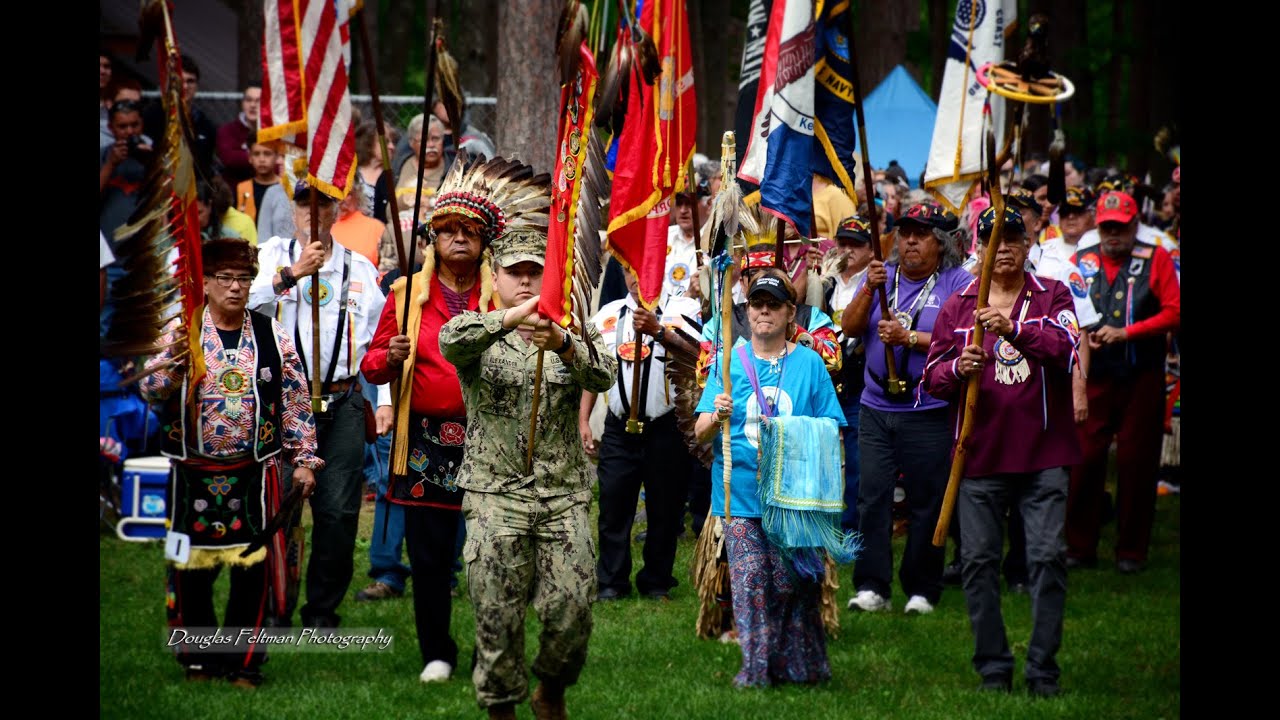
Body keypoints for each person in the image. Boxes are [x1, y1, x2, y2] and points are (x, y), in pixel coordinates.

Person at [439, 187, 616, 719]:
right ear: (495, 278)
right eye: (514, 272)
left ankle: (552, 688)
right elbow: (451, 342)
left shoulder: (571, 333)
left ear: (549, 277)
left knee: (572, 608)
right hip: (495, 494)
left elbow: (604, 372)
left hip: (562, 493)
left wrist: (560, 341)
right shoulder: (479, 330)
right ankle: (500, 706)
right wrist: (509, 320)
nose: (524, 281)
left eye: (534, 272)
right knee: (496, 614)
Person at [138, 238, 323, 688]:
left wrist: (304, 459)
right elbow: (151, 389)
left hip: (252, 472)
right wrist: (176, 365)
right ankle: (198, 660)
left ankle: (244, 663)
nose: (236, 288)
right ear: (206, 282)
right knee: (189, 568)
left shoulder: (271, 333)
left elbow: (295, 399)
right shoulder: (180, 330)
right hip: (192, 471)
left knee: (252, 569)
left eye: (243, 279)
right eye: (225, 279)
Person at [924, 205, 1081, 698]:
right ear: (978, 245)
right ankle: (993, 664)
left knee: (1048, 556)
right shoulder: (959, 304)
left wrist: (1014, 329)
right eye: (993, 238)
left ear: (1028, 241)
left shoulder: (1051, 293)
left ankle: (1042, 669)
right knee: (977, 562)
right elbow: (931, 376)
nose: (1004, 246)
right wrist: (958, 368)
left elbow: (1067, 347)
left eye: (1012, 236)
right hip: (980, 454)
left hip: (1044, 451)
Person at [360, 162, 506, 684]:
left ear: (485, 240)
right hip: (422, 442)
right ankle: (436, 652)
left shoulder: (500, 297)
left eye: (470, 231)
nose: (460, 239)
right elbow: (371, 364)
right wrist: (391, 356)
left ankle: (490, 652)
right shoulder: (404, 297)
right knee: (428, 555)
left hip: (491, 441)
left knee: (491, 555)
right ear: (433, 239)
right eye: (449, 230)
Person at [692, 271, 847, 688]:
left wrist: (793, 435)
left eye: (773, 304)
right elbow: (700, 430)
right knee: (751, 580)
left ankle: (798, 665)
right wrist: (717, 414)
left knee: (789, 580)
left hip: (792, 499)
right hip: (738, 495)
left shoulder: (810, 364)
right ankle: (756, 670)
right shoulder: (728, 364)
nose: (763, 310)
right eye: (757, 303)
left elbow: (832, 426)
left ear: (789, 313)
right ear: (747, 310)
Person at [247, 181, 390, 627]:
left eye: (322, 203)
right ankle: (276, 602)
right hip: (282, 403)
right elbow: (237, 301)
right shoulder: (269, 255)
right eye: (303, 202)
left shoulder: (360, 269)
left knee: (339, 511)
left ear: (337, 210)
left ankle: (322, 608)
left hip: (343, 400)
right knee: (282, 504)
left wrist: (382, 399)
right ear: (292, 210)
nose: (312, 212)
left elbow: (380, 341)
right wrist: (291, 274)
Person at [839, 201, 973, 615]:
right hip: (875, 404)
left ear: (943, 242)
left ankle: (922, 587)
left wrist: (909, 337)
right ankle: (871, 586)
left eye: (921, 234)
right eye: (904, 233)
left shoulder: (958, 281)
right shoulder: (883, 276)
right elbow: (849, 327)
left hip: (928, 406)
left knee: (925, 500)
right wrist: (866, 288)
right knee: (871, 496)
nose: (910, 240)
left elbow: (962, 340)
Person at [1066, 191, 1180, 574]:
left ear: (1135, 225)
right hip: (1094, 377)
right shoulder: (1081, 261)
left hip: (1140, 377)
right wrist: (1088, 335)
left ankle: (1131, 550)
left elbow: (1174, 311)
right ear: (1098, 227)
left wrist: (1128, 332)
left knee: (1136, 462)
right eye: (1106, 226)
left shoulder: (1156, 257)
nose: (1113, 233)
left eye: (1120, 226)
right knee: (1085, 460)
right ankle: (1079, 547)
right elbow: (1066, 310)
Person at [582, 271, 701, 601]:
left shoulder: (685, 308)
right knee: (612, 504)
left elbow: (698, 354)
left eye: (644, 268)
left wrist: (659, 332)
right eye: (629, 270)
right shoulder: (606, 315)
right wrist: (584, 420)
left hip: (667, 425)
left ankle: (657, 581)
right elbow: (592, 370)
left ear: (658, 265)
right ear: (622, 272)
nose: (637, 277)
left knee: (666, 507)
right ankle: (610, 582)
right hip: (619, 427)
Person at [820, 216, 875, 534]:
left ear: (870, 250)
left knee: (857, 459)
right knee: (819, 454)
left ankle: (851, 526)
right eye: (842, 243)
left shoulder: (878, 282)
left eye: (856, 244)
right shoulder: (823, 280)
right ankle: (817, 522)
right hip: (824, 382)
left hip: (859, 381)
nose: (847, 250)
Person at [216, 81, 263, 188]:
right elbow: (230, 159)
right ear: (242, 103)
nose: (252, 105)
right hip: (234, 192)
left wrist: (244, 154)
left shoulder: (273, 131)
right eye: (248, 100)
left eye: (258, 101)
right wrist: (265, 157)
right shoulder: (227, 131)